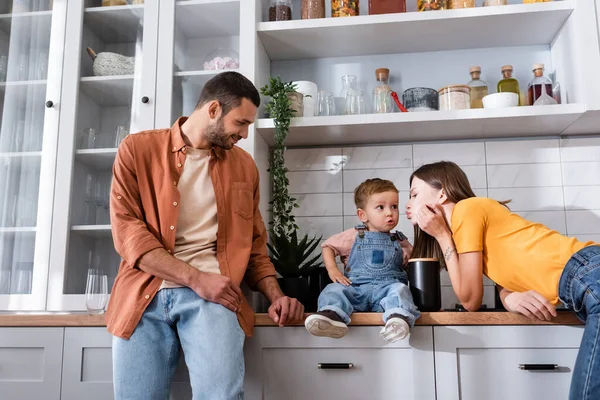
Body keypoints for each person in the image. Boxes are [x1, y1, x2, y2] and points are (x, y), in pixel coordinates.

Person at [107, 71, 304, 400]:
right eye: (240, 123)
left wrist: (276, 295)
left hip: (214, 296)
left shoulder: (244, 166)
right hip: (142, 295)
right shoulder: (137, 150)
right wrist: (195, 278)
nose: (243, 134)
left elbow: (254, 247)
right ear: (214, 109)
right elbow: (128, 233)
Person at [406, 160, 600, 400]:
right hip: (583, 281)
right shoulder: (468, 224)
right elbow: (505, 271)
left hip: (587, 273)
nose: (408, 204)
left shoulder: (466, 209)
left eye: (414, 194)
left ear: (442, 194)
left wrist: (442, 236)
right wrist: (509, 296)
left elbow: (469, 299)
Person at [304, 178, 420, 342]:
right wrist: (332, 269)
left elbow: (415, 262)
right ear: (362, 214)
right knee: (333, 290)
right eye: (381, 207)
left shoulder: (400, 240)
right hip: (356, 291)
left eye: (394, 206)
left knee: (400, 290)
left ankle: (398, 319)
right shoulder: (354, 235)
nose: (390, 212)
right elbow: (328, 246)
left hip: (386, 294)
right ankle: (332, 316)